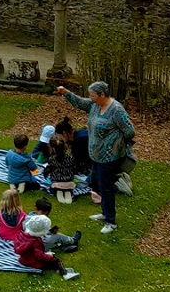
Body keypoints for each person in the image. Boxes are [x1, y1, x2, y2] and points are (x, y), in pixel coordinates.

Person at [56, 82, 136, 234]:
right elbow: (79, 102)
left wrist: (116, 142)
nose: (90, 98)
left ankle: (110, 222)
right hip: (96, 154)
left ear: (102, 95)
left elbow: (129, 131)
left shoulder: (116, 110)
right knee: (99, 183)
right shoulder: (94, 105)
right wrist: (65, 92)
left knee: (106, 188)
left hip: (110, 156)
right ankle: (105, 213)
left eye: (93, 95)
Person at [14, 214, 81, 280]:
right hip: (34, 263)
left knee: (51, 259)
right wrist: (49, 255)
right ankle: (65, 273)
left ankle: (59, 268)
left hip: (23, 260)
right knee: (56, 260)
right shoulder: (35, 242)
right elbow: (40, 256)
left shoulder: (21, 235)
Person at [44, 136, 78, 204]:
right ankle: (68, 191)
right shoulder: (70, 157)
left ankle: (58, 190)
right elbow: (74, 169)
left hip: (56, 182)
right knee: (68, 187)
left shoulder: (52, 159)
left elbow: (48, 170)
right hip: (69, 181)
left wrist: (45, 174)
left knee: (54, 185)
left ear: (53, 148)